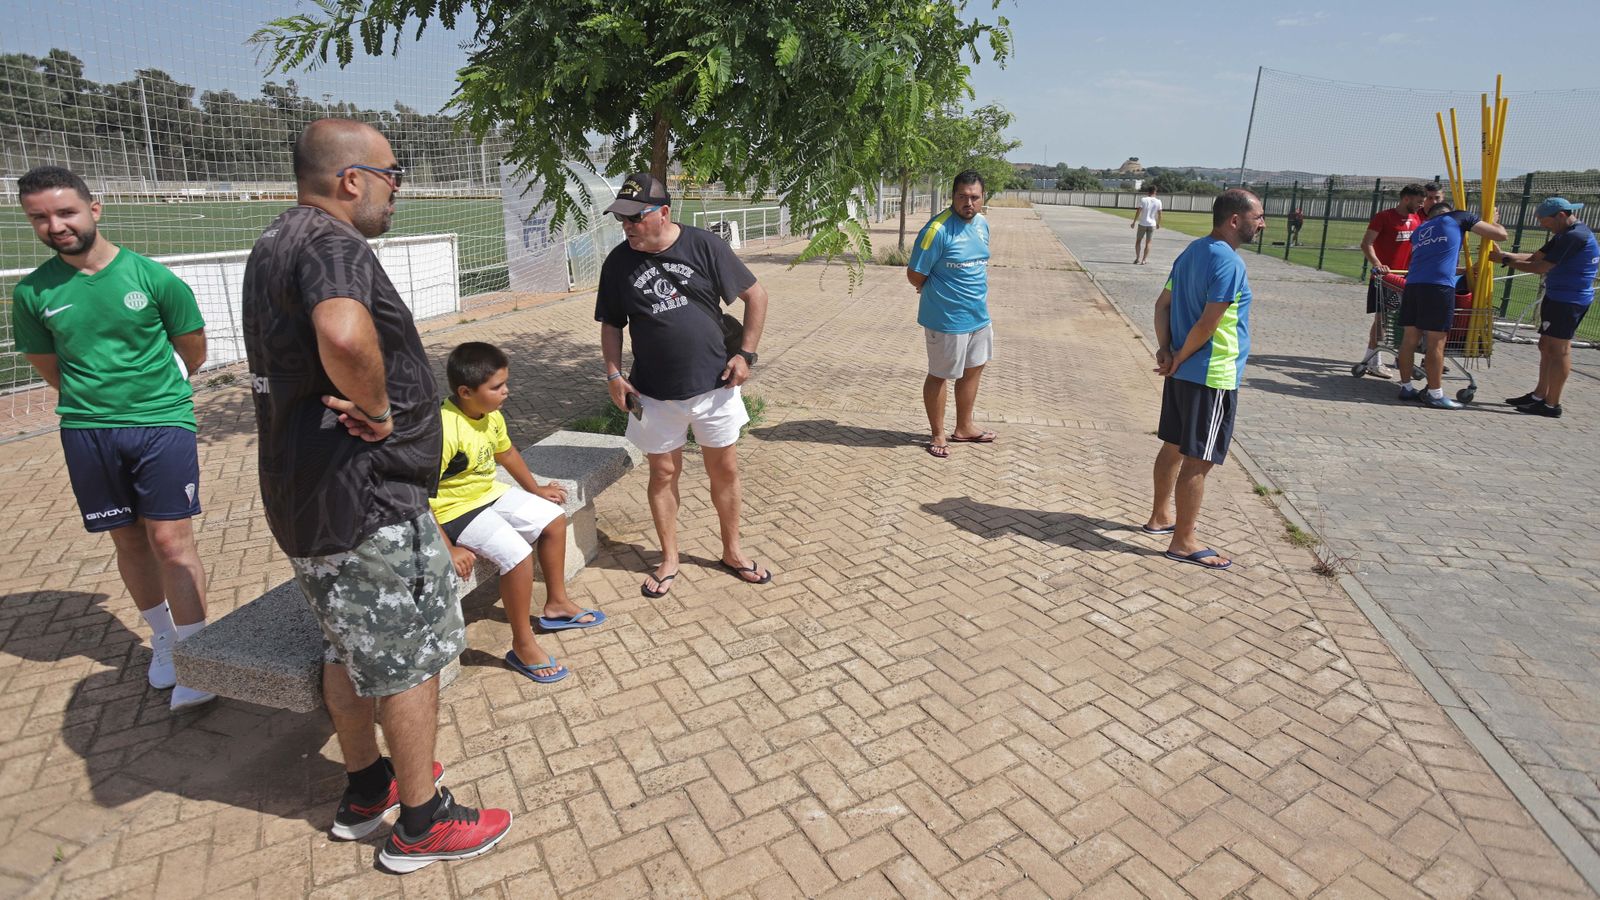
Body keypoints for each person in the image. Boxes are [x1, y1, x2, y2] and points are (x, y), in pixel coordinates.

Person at [241, 119, 511, 873]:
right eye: (395, 175)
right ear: (351, 180)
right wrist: (387, 413)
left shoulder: (276, 241)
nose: (400, 190)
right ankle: (422, 823)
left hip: (308, 497)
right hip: (366, 503)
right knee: (408, 661)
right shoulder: (333, 244)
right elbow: (344, 331)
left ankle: (367, 788)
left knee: (347, 647)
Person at [12, 166, 215, 712]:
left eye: (65, 212)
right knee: (127, 540)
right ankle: (165, 641)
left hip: (161, 422)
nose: (55, 225)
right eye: (40, 217)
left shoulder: (153, 279)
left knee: (171, 541)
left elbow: (192, 350)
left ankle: (199, 656)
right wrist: (98, 401)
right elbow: (50, 368)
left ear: (94, 209)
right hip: (87, 430)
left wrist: (151, 395)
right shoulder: (32, 293)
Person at [596, 172, 771, 598]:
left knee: (724, 469)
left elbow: (757, 296)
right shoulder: (619, 262)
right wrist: (615, 374)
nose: (628, 227)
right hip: (653, 393)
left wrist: (745, 355)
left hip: (716, 385)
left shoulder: (704, 246)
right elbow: (612, 325)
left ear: (663, 213)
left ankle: (732, 551)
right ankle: (670, 557)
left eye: (636, 218)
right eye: (623, 219)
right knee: (663, 472)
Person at [430, 341, 607, 683]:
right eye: (496, 387)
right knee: (517, 555)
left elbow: (506, 452)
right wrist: (446, 547)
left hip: (487, 493)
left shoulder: (489, 414)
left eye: (505, 383)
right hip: (453, 510)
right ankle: (523, 644)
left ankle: (555, 605)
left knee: (553, 518)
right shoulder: (443, 430)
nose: (506, 392)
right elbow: (418, 494)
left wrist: (535, 489)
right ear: (465, 391)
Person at [1143, 189, 1265, 571]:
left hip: (1182, 372)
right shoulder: (1229, 264)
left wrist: (1166, 350)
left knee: (1174, 447)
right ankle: (1183, 540)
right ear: (1234, 220)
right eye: (1258, 217)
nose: (1262, 224)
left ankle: (1160, 517)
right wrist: (1178, 356)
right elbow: (1207, 324)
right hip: (1211, 374)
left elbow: (1161, 306)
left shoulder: (1191, 252)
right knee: (1199, 460)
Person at [907, 170, 997, 459]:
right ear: (952, 197)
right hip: (946, 320)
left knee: (974, 369)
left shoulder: (982, 224)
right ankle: (937, 433)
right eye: (962, 197)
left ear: (983, 198)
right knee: (940, 374)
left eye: (974, 197)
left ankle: (964, 427)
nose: (968, 203)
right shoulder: (937, 230)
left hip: (978, 316)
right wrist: (932, 291)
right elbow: (915, 274)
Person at [1493, 197, 1600, 418]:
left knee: (1559, 350)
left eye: (1545, 221)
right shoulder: (1563, 234)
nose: (1543, 225)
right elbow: (1534, 257)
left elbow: (1541, 267)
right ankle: (1539, 395)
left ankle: (1552, 405)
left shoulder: (1574, 236)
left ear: (1560, 215)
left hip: (1569, 300)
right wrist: (1504, 256)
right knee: (1545, 346)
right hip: (1557, 296)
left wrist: (1504, 259)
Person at [1395, 202, 1507, 409]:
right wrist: (1492, 220)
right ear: (1449, 212)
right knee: (1436, 342)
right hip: (1437, 288)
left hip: (1413, 286)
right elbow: (1500, 235)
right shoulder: (1458, 217)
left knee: (1410, 339)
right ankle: (1435, 394)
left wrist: (1463, 270)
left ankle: (1406, 386)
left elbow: (1438, 258)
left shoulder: (1420, 230)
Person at [1355, 182, 1428, 379]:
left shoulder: (1417, 220)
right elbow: (1366, 243)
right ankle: (1373, 360)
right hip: (1385, 279)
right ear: (1406, 199)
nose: (1421, 205)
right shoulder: (1384, 217)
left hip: (1407, 279)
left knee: (1405, 322)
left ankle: (1400, 359)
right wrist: (1378, 264)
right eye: (1419, 201)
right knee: (1382, 320)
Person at [1132, 184, 1162, 264]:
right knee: (1148, 242)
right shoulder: (1158, 201)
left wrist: (1134, 222)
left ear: (1148, 191)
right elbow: (1160, 214)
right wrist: (1159, 223)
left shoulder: (1144, 199)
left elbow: (1139, 211)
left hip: (1142, 223)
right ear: (1155, 192)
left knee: (1138, 241)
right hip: (1152, 224)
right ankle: (1144, 260)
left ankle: (1137, 258)